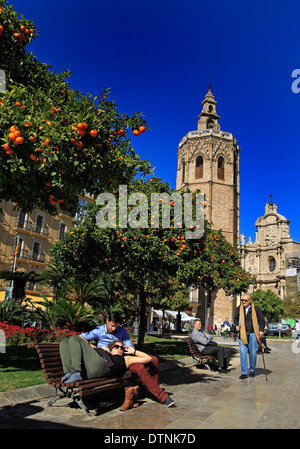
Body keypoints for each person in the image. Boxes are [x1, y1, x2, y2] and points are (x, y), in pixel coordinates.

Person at [79, 311, 175, 407]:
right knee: (140, 368)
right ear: (107, 320)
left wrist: (130, 350)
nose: (114, 329)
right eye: (112, 326)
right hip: (113, 360)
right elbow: (81, 338)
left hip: (125, 356)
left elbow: (128, 344)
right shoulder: (98, 331)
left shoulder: (121, 330)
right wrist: (95, 348)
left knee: (154, 360)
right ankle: (162, 396)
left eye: (116, 326)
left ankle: (154, 389)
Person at [234, 293, 265, 379]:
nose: (243, 302)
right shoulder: (238, 309)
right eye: (242, 300)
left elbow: (261, 320)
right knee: (243, 353)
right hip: (242, 333)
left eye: (245, 300)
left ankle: (252, 370)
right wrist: (236, 325)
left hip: (252, 334)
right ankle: (244, 372)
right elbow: (236, 318)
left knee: (252, 353)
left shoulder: (256, 309)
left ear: (250, 301)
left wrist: (261, 330)